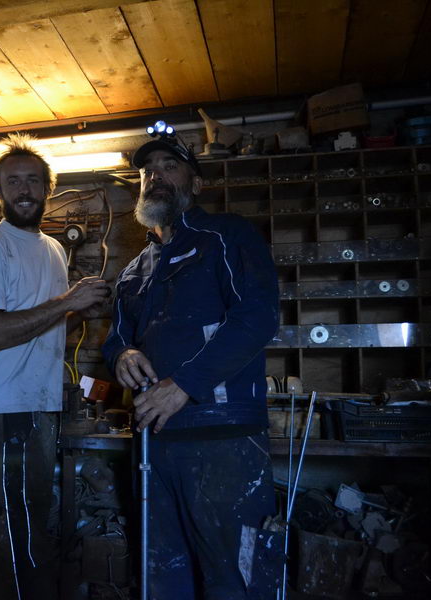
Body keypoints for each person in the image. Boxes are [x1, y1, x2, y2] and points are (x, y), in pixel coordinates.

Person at [102, 129, 281, 599]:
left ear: (196, 184)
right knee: (163, 577)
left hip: (223, 439)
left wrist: (183, 384)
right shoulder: (134, 270)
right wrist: (122, 353)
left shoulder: (227, 235)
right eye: (147, 171)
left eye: (169, 166)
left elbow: (258, 317)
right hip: (154, 443)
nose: (155, 176)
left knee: (235, 582)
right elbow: (116, 336)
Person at [0, 134, 111, 600]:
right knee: (17, 536)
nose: (24, 189)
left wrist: (80, 311)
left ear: (48, 188)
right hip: (5, 413)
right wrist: (67, 301)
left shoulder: (54, 250)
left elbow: (46, 331)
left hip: (40, 409)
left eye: (33, 180)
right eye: (13, 181)